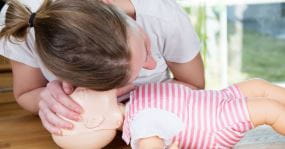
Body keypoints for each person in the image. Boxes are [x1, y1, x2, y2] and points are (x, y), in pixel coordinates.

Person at [0, 0, 204, 135]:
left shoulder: (164, 18)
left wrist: (137, 108)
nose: (151, 65)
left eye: (145, 46)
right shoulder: (23, 22)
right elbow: (26, 92)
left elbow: (195, 86)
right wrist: (44, 98)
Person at [51, 79, 285, 149]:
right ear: (95, 120)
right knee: (267, 109)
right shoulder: (142, 125)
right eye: (77, 97)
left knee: (256, 86)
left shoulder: (134, 100)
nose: (77, 88)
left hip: (212, 100)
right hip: (214, 125)